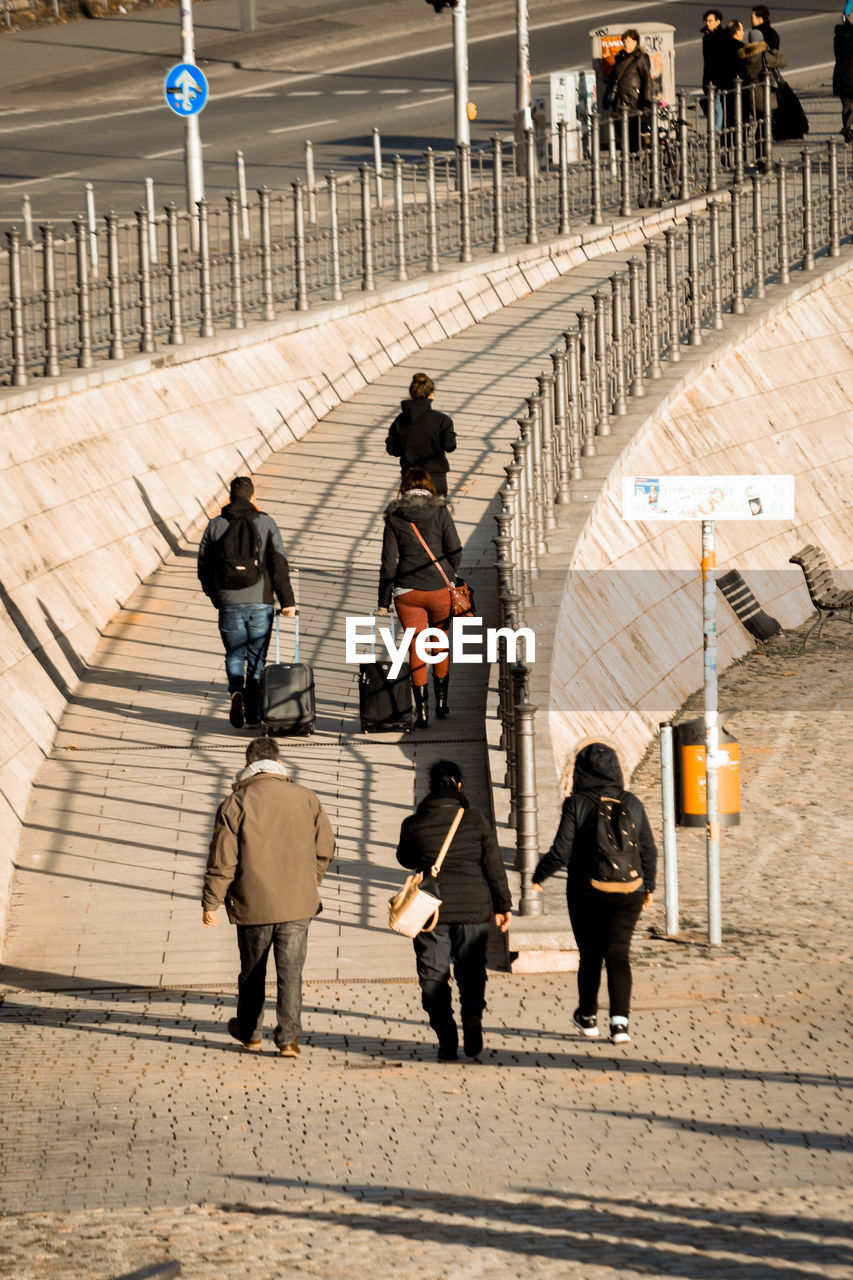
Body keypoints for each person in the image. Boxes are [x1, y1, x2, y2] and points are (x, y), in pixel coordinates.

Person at [202, 736, 335, 1058]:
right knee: (291, 973)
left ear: (248, 765)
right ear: (277, 763)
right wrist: (310, 880)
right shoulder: (306, 797)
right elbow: (325, 848)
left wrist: (211, 902)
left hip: (253, 904)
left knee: (252, 972)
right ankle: (288, 1040)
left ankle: (250, 1033)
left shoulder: (235, 804)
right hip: (298, 904)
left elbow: (223, 860)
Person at [531, 742, 657, 1045]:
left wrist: (538, 877)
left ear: (581, 771)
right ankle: (620, 1025)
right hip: (629, 890)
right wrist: (649, 886)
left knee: (589, 955)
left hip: (586, 891)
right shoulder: (633, 802)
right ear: (616, 769)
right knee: (618, 954)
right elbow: (649, 849)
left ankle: (587, 1018)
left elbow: (561, 852)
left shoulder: (577, 804)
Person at [395, 759, 512, 1061]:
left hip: (429, 910)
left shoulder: (414, 823)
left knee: (432, 974)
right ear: (459, 785)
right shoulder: (476, 820)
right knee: (472, 968)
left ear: (429, 788)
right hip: (474, 907)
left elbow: (405, 858)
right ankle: (472, 1015)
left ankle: (446, 1036)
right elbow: (494, 866)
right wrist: (503, 905)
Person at [197, 475, 296, 730]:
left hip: (228, 601)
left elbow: (203, 566)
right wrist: (288, 601)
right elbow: (279, 564)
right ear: (253, 497)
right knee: (257, 658)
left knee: (234, 654)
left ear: (229, 498)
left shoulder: (215, 525)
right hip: (260, 600)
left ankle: (235, 692)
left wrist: (216, 595)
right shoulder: (266, 522)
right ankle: (253, 714)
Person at [377, 467, 462, 728]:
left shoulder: (394, 517)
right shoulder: (440, 511)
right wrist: (450, 574)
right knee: (439, 642)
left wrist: (383, 598)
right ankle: (441, 703)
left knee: (416, 645)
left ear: (404, 487)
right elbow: (455, 549)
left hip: (407, 591)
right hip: (439, 589)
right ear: (429, 486)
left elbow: (388, 562)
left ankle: (421, 710)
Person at [385, 372, 457, 497]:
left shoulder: (400, 421)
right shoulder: (442, 420)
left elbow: (392, 449)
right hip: (435, 478)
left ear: (412, 394)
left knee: (411, 511)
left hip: (410, 478)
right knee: (438, 513)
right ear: (431, 394)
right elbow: (450, 446)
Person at [604, 29, 653, 151]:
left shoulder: (641, 58)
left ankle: (635, 153)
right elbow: (612, 80)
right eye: (624, 41)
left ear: (635, 42)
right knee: (618, 126)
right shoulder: (619, 58)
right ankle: (632, 151)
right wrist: (606, 97)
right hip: (619, 100)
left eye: (629, 42)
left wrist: (646, 102)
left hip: (634, 101)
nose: (626, 44)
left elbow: (647, 81)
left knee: (633, 129)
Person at [702, 9, 728, 130]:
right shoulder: (706, 36)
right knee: (713, 108)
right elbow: (707, 62)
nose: (708, 23)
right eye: (707, 21)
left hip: (719, 79)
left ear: (718, 21)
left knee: (717, 108)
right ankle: (715, 134)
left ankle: (716, 137)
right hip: (709, 78)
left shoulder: (723, 36)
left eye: (711, 21)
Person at [834, 3, 853, 143]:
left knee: (846, 105)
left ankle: (847, 135)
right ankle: (847, 128)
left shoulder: (838, 36)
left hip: (840, 74)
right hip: (852, 74)